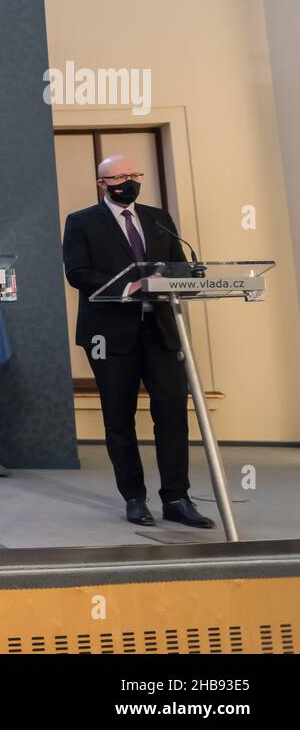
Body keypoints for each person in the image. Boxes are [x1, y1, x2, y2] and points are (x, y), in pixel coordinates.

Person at [61, 153, 213, 528]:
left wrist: (186, 275)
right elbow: (77, 273)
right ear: (103, 184)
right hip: (110, 334)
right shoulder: (81, 222)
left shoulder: (159, 218)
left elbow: (176, 262)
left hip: (161, 329)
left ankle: (177, 497)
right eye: (120, 176)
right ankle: (134, 497)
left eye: (134, 174)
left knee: (173, 414)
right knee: (119, 417)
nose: (129, 181)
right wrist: (130, 285)